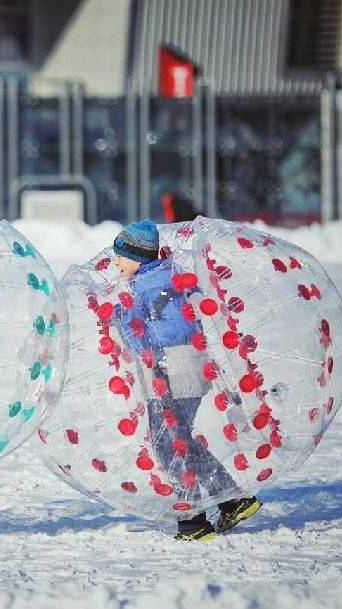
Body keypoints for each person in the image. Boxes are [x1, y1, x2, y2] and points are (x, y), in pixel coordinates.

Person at [111, 219, 261, 541]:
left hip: (170, 374)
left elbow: (158, 334)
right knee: (183, 440)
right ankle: (231, 498)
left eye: (121, 256)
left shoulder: (149, 288)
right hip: (186, 371)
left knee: (170, 447)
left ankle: (193, 520)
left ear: (138, 257)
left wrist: (123, 318)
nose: (116, 263)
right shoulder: (165, 279)